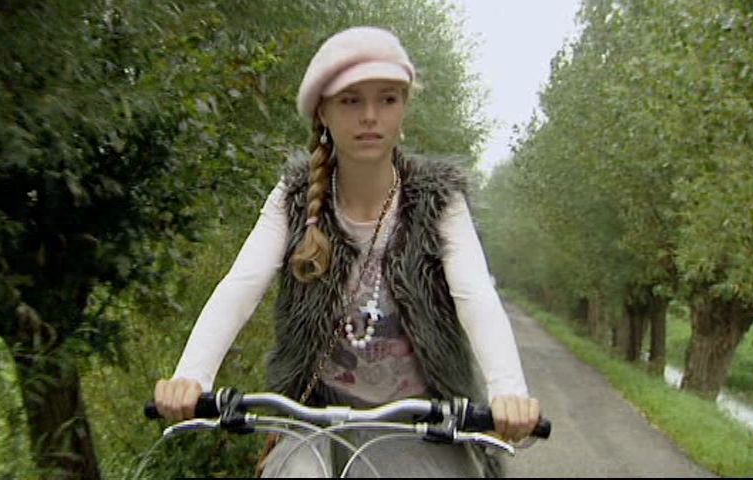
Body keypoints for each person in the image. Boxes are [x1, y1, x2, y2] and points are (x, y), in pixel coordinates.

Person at [153, 26, 541, 477]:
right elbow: (241, 285)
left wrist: (508, 390)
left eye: (387, 99)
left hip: (422, 421)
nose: (370, 116)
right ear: (323, 111)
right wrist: (192, 377)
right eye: (351, 101)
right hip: (314, 418)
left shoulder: (438, 199)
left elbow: (475, 295)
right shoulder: (293, 198)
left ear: (404, 108)